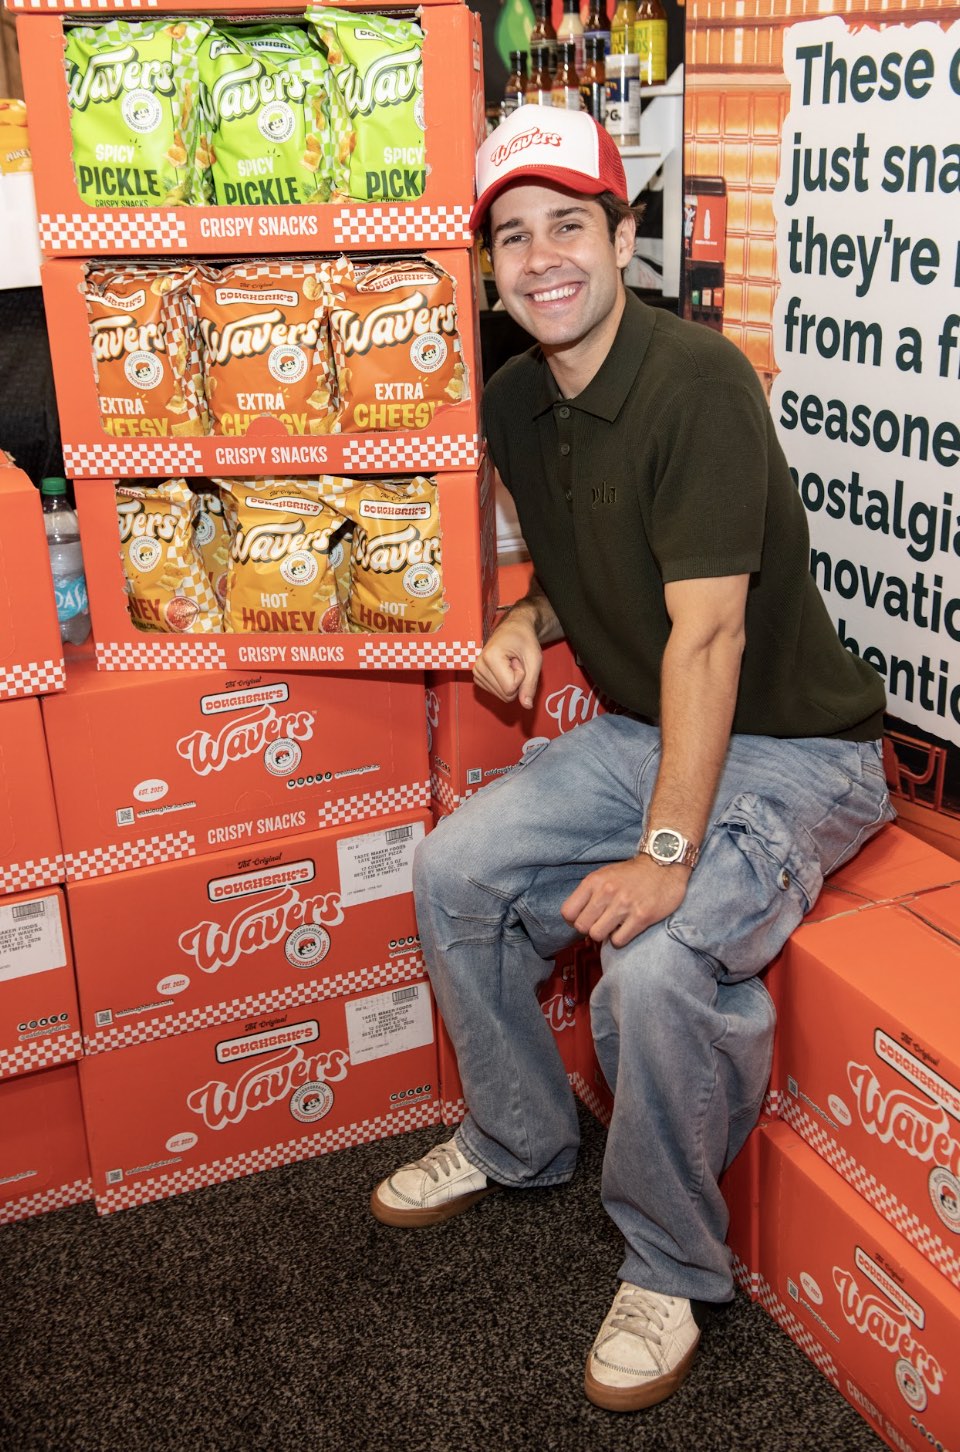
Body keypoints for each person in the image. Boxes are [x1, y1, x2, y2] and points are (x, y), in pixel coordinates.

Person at [370, 105, 894, 1413]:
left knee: (653, 964)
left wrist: (666, 857)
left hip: (797, 753)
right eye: (512, 234)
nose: (542, 256)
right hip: (642, 729)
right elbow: (599, 560)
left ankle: (670, 1263)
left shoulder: (697, 381)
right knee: (456, 868)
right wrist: (519, 621)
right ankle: (521, 1137)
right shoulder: (511, 399)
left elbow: (708, 633)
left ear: (623, 234)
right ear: (488, 262)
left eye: (569, 224)